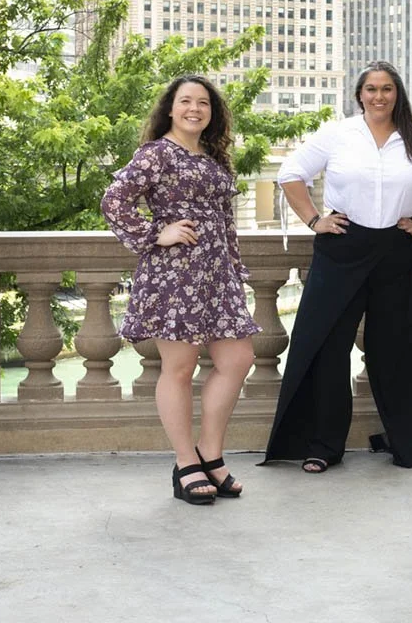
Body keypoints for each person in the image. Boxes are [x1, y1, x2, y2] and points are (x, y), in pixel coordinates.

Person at [261, 61, 412, 473]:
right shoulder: (338, 134)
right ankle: (322, 445)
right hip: (342, 246)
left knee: (398, 349)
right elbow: (290, 173)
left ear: (398, 94)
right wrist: (315, 221)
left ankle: (405, 443)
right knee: (325, 346)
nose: (379, 97)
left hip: (398, 248)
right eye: (371, 89)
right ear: (359, 95)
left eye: (387, 89)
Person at [102, 75, 259, 505]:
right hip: (174, 273)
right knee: (179, 368)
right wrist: (158, 232)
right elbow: (114, 201)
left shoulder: (214, 157)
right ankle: (185, 461)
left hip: (217, 275)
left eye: (203, 103)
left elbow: (225, 219)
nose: (195, 108)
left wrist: (232, 265)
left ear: (212, 112)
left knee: (238, 357)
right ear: (170, 109)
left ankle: (210, 452)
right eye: (185, 101)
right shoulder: (156, 154)